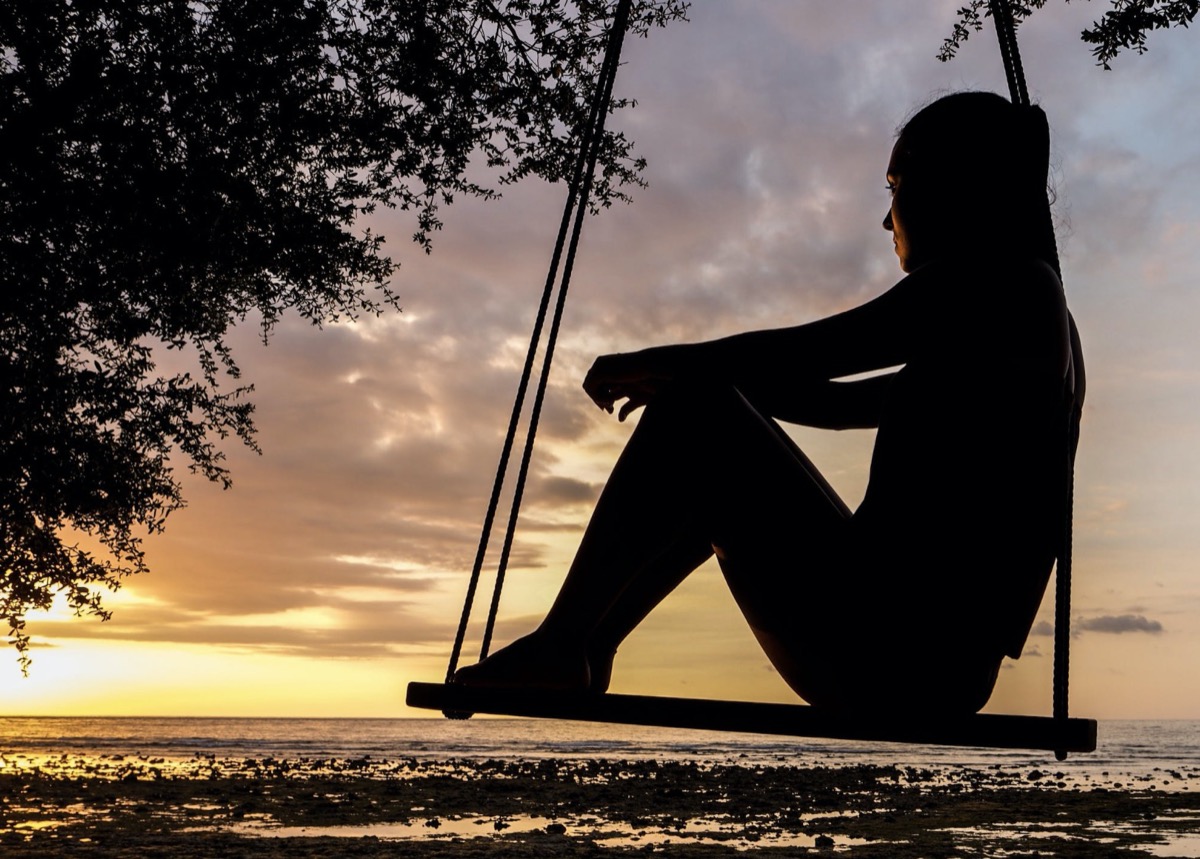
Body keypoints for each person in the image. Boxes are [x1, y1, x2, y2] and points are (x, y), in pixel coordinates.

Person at [453, 91, 1082, 714]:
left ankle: (565, 643)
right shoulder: (1028, 319)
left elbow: (819, 350)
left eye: (895, 185)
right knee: (705, 418)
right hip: (932, 665)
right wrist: (697, 382)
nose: (887, 220)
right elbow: (834, 404)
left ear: (953, 183)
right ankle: (587, 648)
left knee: (699, 410)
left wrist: (670, 367)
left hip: (892, 651)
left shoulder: (998, 284)